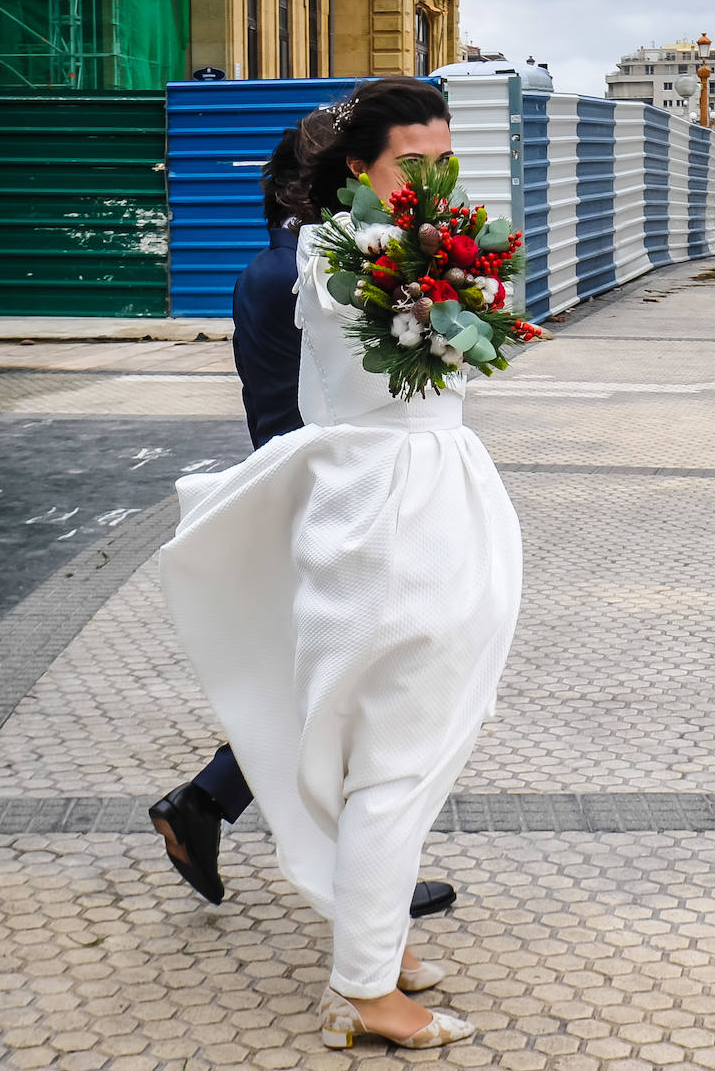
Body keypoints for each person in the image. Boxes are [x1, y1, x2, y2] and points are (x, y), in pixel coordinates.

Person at [160, 77, 522, 1052]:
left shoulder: (399, 247)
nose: (434, 177)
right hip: (388, 525)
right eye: (412, 158)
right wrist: (457, 278)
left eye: (443, 158)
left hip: (424, 503)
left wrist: (463, 278)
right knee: (394, 760)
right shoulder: (332, 253)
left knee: (400, 750)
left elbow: (476, 320)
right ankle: (366, 991)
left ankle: (380, 940)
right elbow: (443, 312)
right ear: (357, 167)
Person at [147, 118, 455, 925]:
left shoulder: (272, 266)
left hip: (298, 481)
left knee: (329, 677)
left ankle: (213, 806)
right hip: (336, 492)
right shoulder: (319, 269)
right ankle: (357, 876)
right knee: (356, 685)